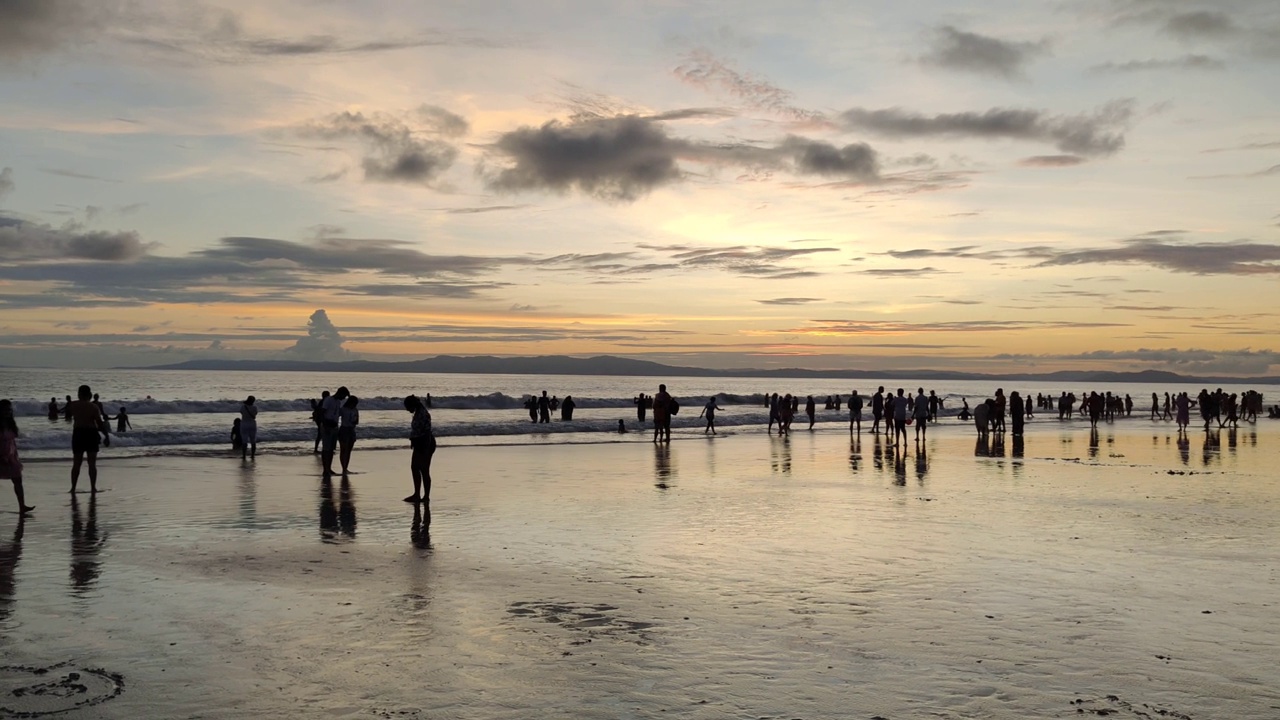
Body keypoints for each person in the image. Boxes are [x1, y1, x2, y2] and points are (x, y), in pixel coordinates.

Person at [67, 385, 110, 493]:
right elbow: (99, 424)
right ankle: (93, 487)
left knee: (76, 463)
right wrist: (106, 436)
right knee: (92, 463)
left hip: (78, 433)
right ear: (90, 395)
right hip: (91, 433)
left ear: (79, 394)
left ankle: (73, 488)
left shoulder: (72, 405)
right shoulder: (93, 407)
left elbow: (68, 416)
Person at [0, 400, 34, 514]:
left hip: (11, 456)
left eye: (9, 410)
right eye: (5, 410)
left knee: (18, 480)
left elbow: (12, 441)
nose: (8, 412)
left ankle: (22, 506)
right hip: (1, 455)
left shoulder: (10, 423)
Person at [403, 395, 436, 504]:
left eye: (407, 407)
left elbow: (426, 432)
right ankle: (417, 494)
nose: (407, 409)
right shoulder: (419, 412)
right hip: (420, 443)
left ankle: (424, 496)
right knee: (416, 468)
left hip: (425, 443)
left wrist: (425, 448)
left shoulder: (422, 414)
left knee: (423, 470)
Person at [320, 387, 349, 474]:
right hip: (327, 426)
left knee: (331, 449)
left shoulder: (338, 402)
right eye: (344, 396)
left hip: (334, 426)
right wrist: (325, 426)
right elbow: (322, 413)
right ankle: (325, 469)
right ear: (340, 393)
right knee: (326, 449)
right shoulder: (329, 400)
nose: (344, 398)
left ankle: (329, 468)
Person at [338, 395, 359, 474]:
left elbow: (357, 421)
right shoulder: (343, 409)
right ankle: (343, 468)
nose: (355, 405)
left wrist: (354, 420)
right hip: (344, 429)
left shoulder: (355, 410)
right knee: (343, 450)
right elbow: (337, 416)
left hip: (351, 429)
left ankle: (346, 467)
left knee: (349, 450)